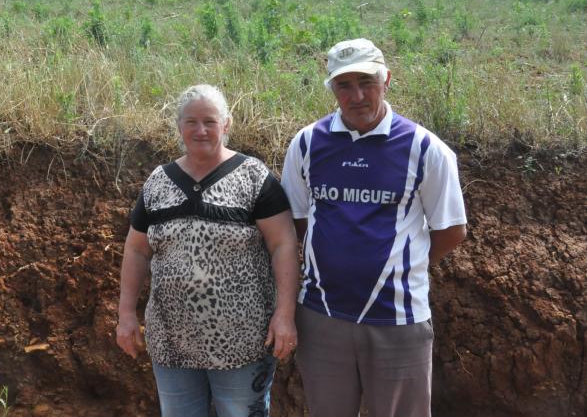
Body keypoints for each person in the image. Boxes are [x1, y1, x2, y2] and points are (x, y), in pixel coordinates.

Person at [280, 38, 468, 417]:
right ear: (331, 88)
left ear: (387, 80)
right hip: (321, 316)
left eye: (366, 82)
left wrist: (405, 266)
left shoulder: (425, 148)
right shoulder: (306, 144)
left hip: (398, 319)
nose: (357, 95)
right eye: (344, 85)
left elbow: (451, 231)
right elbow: (297, 220)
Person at [116, 84, 300, 417]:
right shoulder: (158, 183)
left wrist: (284, 314)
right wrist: (126, 314)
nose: (200, 130)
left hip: (242, 343)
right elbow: (136, 250)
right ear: (179, 126)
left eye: (210, 121)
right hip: (171, 343)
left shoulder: (253, 177)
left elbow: (283, 244)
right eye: (191, 122)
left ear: (226, 124)